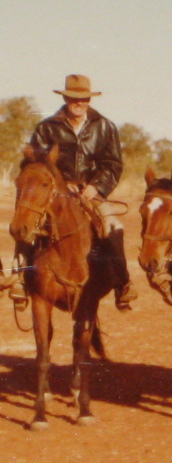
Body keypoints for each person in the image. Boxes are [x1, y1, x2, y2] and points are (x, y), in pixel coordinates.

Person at [9, 74, 137, 312]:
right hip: (55, 192)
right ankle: (19, 278)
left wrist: (96, 186)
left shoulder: (105, 126)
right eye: (74, 99)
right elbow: (33, 163)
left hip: (92, 192)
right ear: (66, 98)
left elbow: (113, 164)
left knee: (112, 225)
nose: (79, 103)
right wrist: (60, 183)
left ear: (89, 99)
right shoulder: (46, 127)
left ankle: (122, 283)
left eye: (84, 99)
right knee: (28, 221)